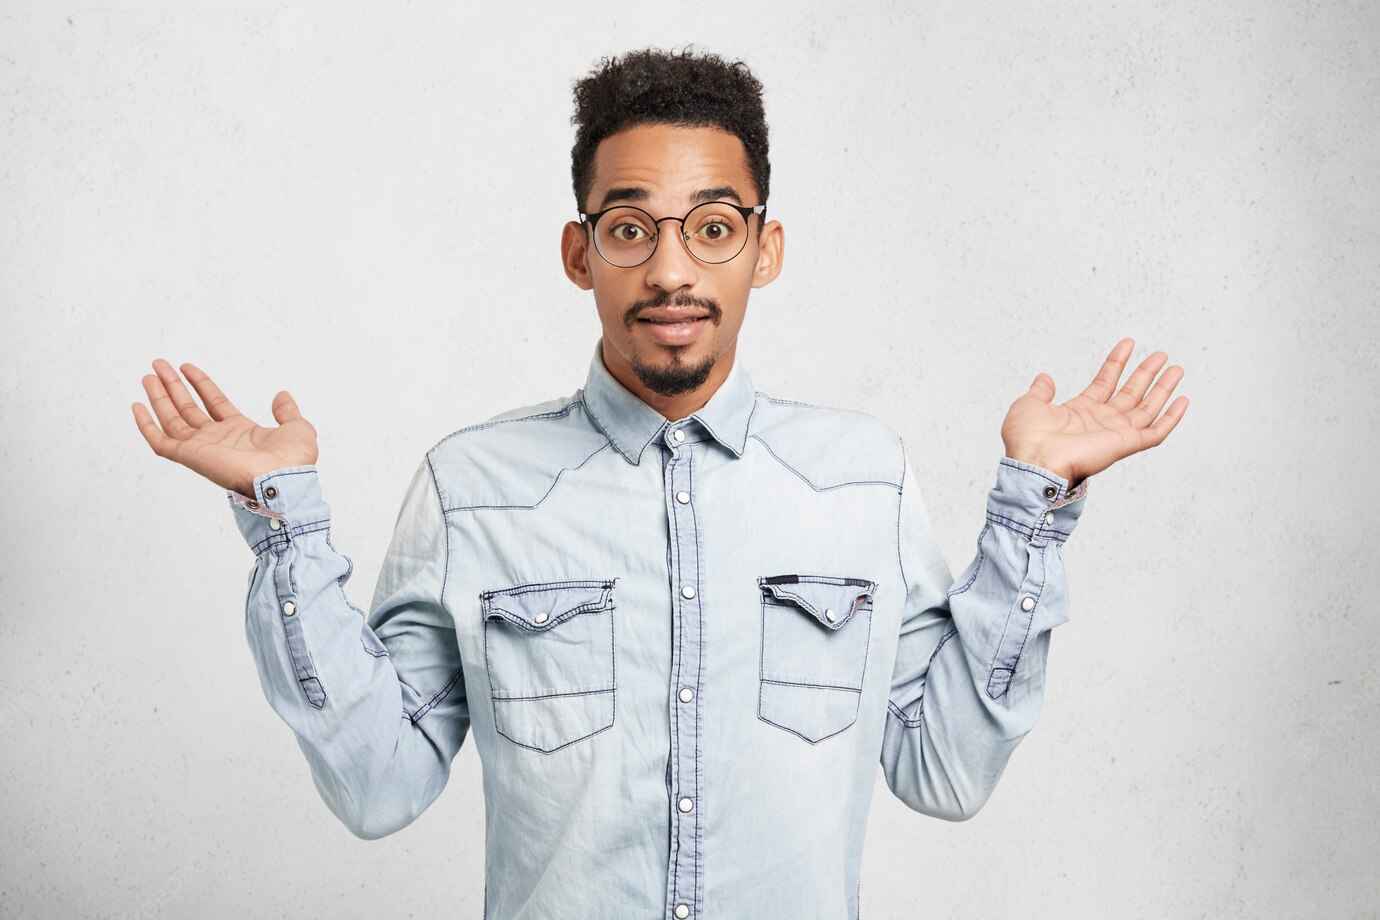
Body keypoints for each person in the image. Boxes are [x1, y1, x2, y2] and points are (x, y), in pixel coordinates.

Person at [131, 46, 1186, 920]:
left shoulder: (862, 478)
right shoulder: (473, 487)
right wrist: (286, 528)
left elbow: (943, 769)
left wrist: (1033, 509)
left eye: (713, 227)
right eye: (631, 228)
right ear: (579, 253)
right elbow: (377, 784)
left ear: (764, 249)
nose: (672, 271)